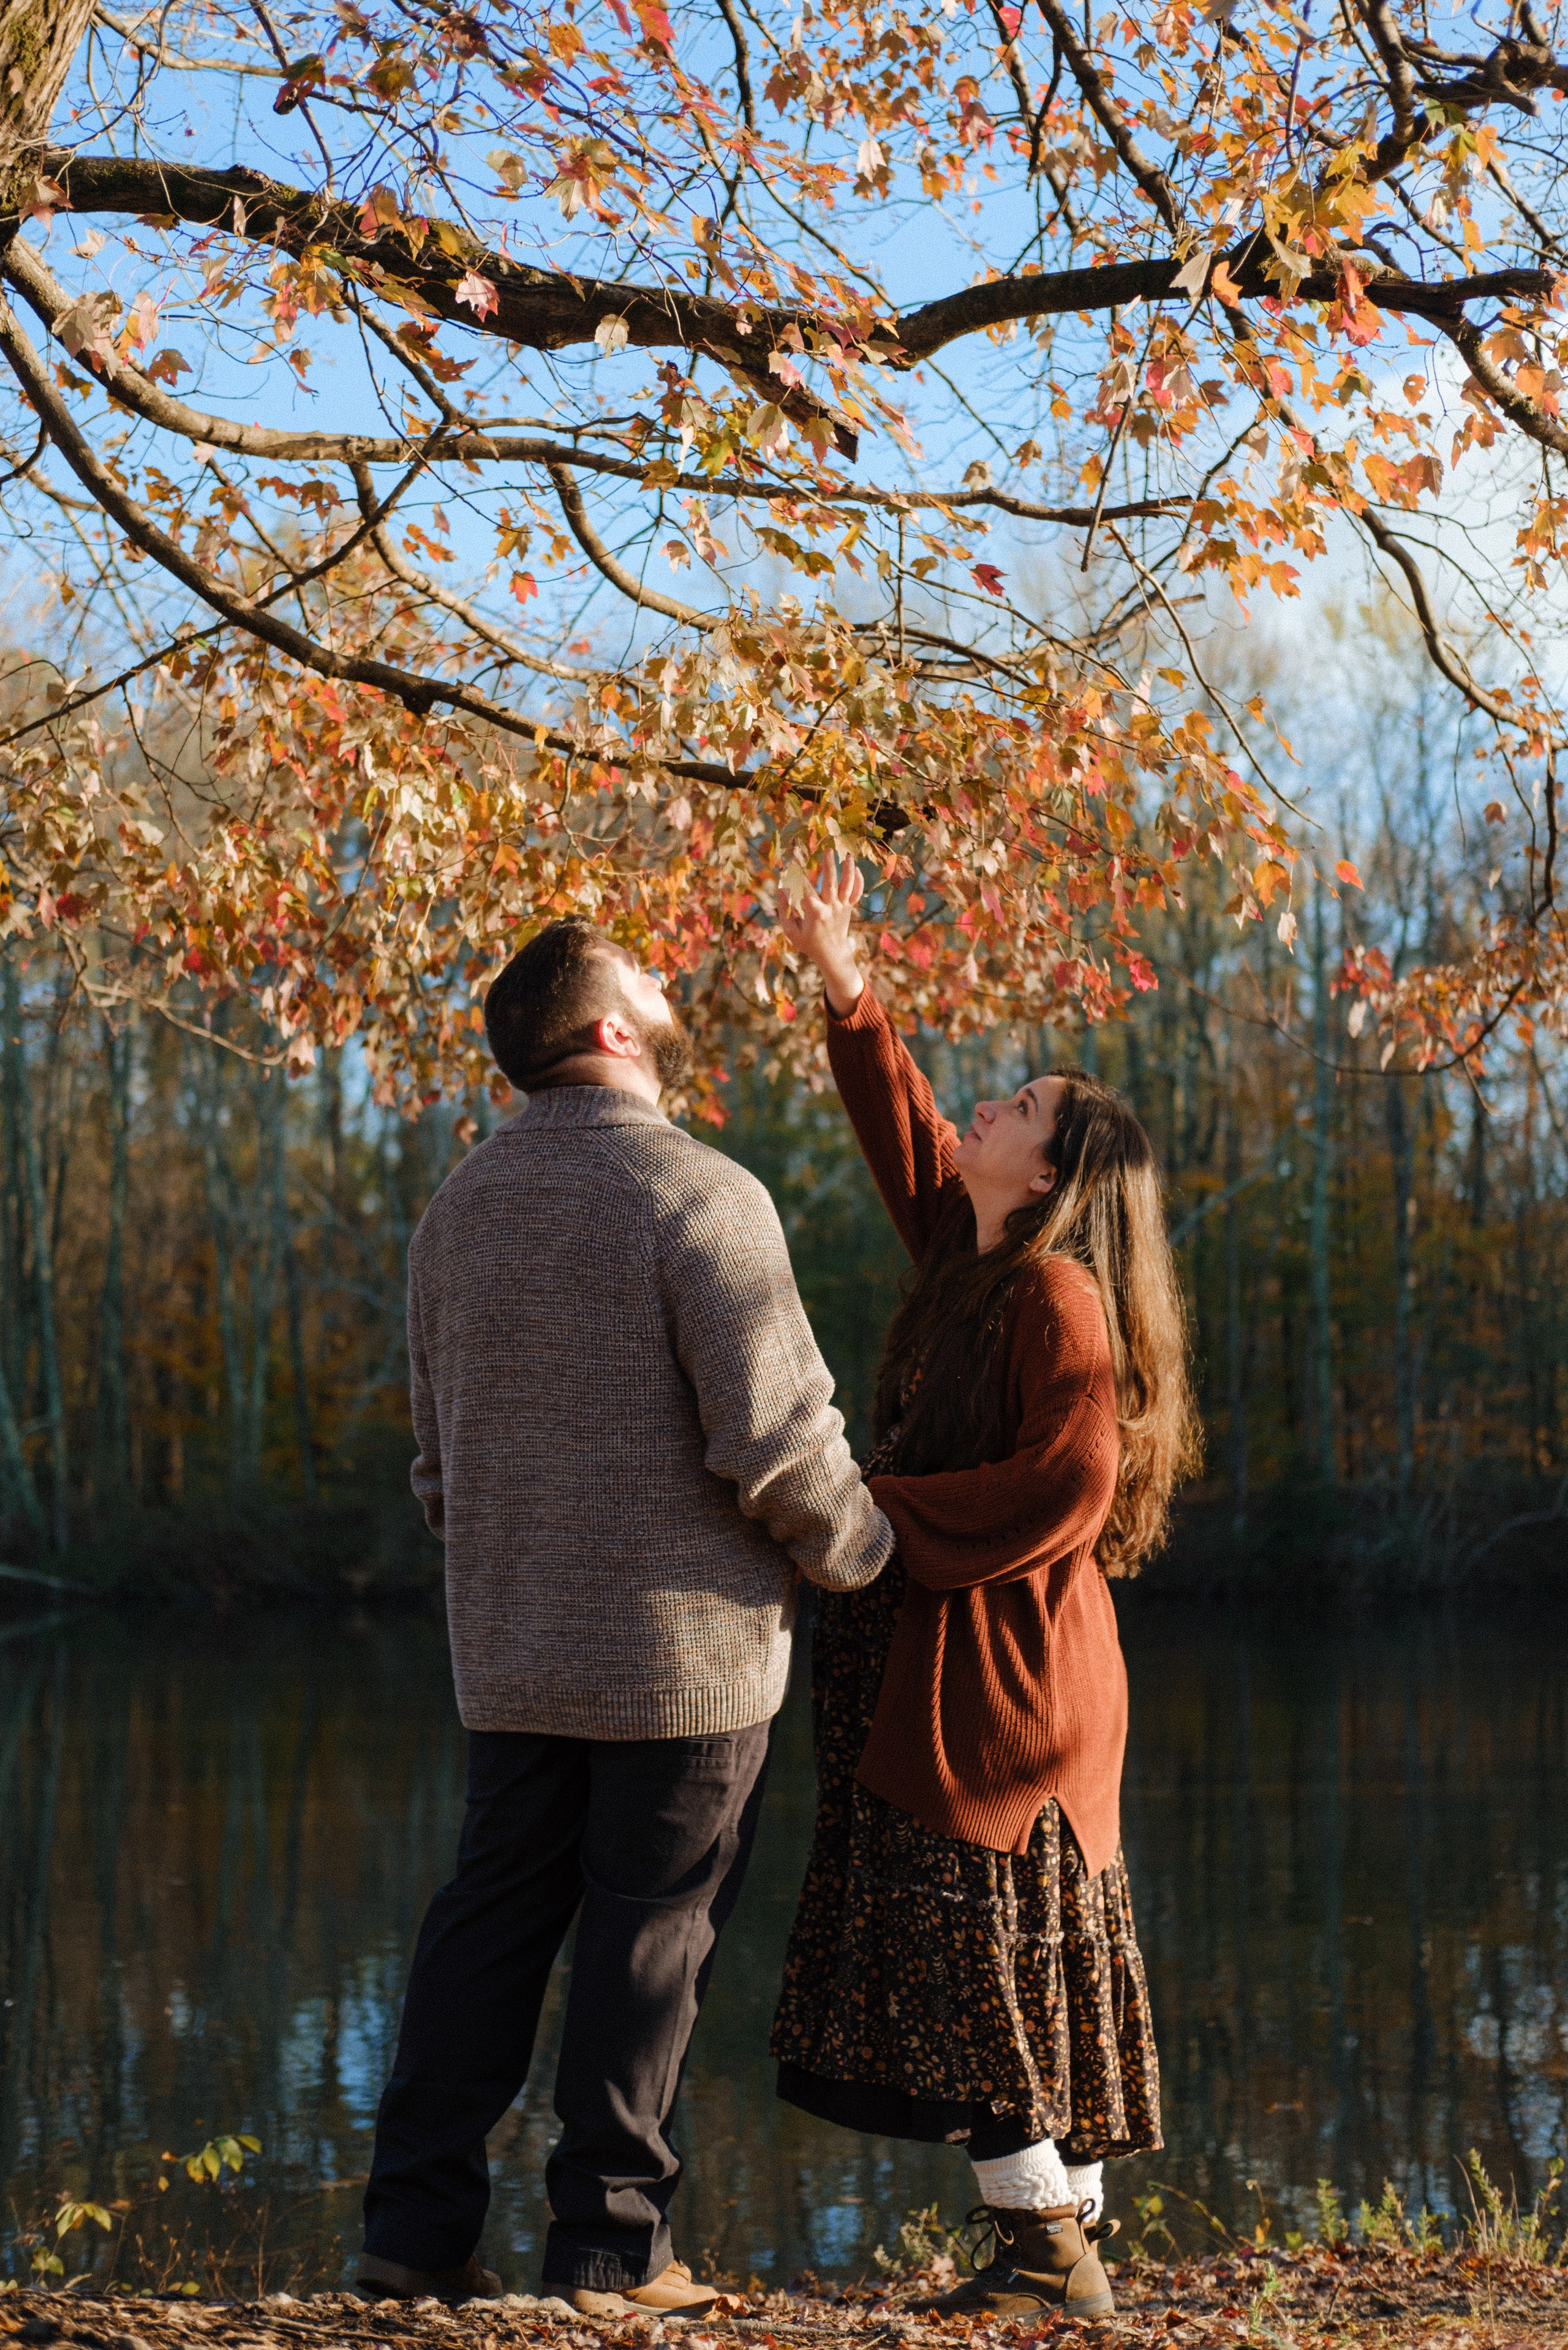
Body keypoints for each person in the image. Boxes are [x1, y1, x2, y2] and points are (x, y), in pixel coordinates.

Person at [360, 919, 893, 2313]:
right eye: (638, 972)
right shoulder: (698, 1193)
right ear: (605, 1028)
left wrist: (521, 1561)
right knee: (650, 1935)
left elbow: (433, 1465)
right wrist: (866, 1552)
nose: (664, 979)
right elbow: (780, 1440)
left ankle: (411, 2242)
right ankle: (608, 2251)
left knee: (484, 1925)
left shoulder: (454, 1209)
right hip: (686, 1663)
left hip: (515, 1650)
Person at [770, 857, 1197, 2324]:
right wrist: (845, 983)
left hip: (1006, 1691)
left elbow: (1063, 1486)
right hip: (967, 1666)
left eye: (1011, 1108)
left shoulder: (1055, 1300)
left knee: (974, 1962)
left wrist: (869, 1509)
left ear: (1050, 1171)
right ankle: (1053, 2245)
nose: (981, 1112)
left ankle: (1046, 2259)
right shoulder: (975, 1257)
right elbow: (906, 1138)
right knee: (994, 1963)